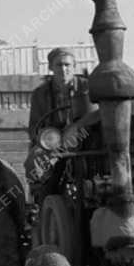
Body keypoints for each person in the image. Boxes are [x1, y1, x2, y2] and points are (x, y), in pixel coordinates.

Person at [24, 46, 94, 183]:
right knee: (35, 159)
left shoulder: (88, 88)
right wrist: (47, 140)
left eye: (67, 65)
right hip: (54, 140)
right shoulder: (40, 94)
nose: (63, 69)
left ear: (74, 66)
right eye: (59, 65)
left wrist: (76, 127)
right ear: (51, 67)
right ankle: (44, 193)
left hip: (85, 136)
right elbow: (34, 127)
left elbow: (97, 114)